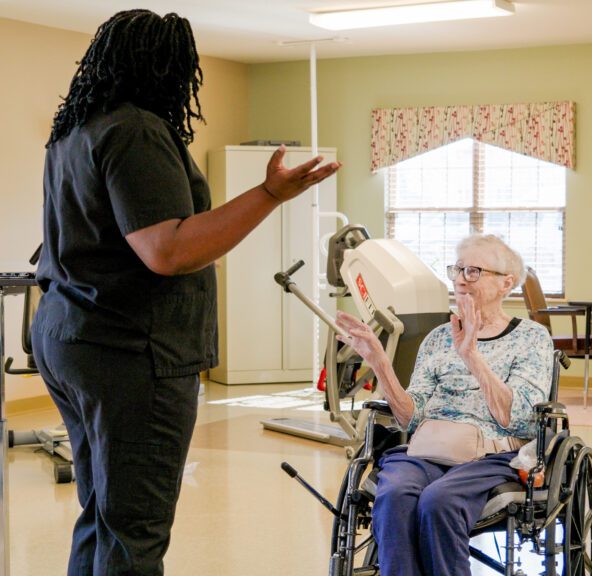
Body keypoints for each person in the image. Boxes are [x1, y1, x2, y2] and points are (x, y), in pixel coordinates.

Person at [30, 9, 340, 576]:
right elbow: (167, 250)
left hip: (71, 334)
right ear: (169, 68)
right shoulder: (137, 130)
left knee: (103, 513)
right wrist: (269, 195)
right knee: (136, 530)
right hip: (130, 350)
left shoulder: (74, 131)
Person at [335, 234, 553, 576]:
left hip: (492, 455)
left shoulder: (531, 338)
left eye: (474, 271)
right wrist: (380, 363)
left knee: (439, 501)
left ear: (505, 283)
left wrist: (472, 356)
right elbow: (411, 416)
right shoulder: (438, 338)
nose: (461, 278)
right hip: (427, 448)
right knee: (395, 496)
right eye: (458, 269)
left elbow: (518, 417)